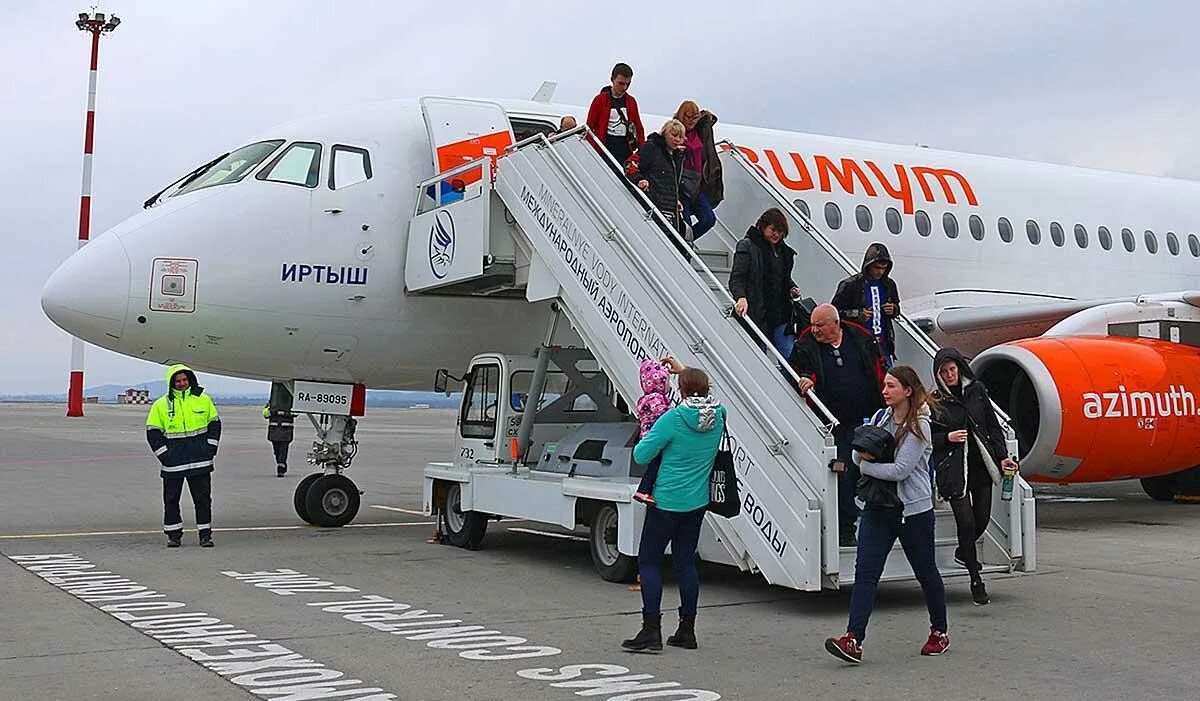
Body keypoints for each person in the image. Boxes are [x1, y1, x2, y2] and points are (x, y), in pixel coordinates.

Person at [825, 365, 949, 664]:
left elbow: (900, 470)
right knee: (865, 573)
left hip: (912, 511)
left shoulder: (920, 425)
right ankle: (853, 638)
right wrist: (862, 459)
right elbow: (856, 451)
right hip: (878, 507)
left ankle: (939, 631)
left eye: (891, 385)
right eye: (884, 384)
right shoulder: (881, 417)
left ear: (907, 390)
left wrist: (867, 466)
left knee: (926, 572)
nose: (885, 390)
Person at [622, 359, 726, 653]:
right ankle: (687, 630)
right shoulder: (720, 415)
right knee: (686, 563)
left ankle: (651, 630)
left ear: (679, 390)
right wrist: (685, 372)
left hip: (666, 500)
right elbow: (702, 392)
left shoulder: (673, 419)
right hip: (697, 502)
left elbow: (642, 455)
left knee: (650, 561)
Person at [789, 304, 885, 546]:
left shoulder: (860, 338)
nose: (814, 330)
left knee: (870, 468)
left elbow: (879, 367)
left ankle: (869, 515)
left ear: (835, 324)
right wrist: (806, 379)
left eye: (819, 325)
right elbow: (794, 371)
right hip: (833, 423)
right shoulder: (805, 344)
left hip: (867, 417)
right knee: (843, 471)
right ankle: (845, 527)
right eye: (812, 324)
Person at [930, 347, 1019, 606]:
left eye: (952, 370)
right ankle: (975, 578)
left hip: (981, 463)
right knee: (966, 522)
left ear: (959, 368)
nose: (949, 375)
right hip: (954, 467)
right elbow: (926, 436)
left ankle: (963, 552)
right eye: (944, 372)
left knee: (982, 516)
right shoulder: (935, 400)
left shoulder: (976, 390)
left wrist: (1002, 455)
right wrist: (947, 438)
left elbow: (992, 426)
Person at [145, 365, 221, 548]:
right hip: (174, 463)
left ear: (190, 380)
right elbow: (152, 432)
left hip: (200, 460)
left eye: (184, 380)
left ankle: (205, 534)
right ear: (172, 383)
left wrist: (210, 448)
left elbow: (215, 425)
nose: (181, 384)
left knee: (203, 499)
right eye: (178, 381)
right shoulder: (161, 405)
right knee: (171, 500)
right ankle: (173, 535)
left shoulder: (203, 400)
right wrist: (165, 456)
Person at [729, 208, 801, 357]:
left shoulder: (783, 252)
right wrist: (741, 297)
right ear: (762, 226)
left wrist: (791, 287)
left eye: (781, 232)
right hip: (758, 313)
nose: (777, 235)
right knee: (759, 356)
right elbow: (737, 278)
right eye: (773, 230)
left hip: (780, 313)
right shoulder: (747, 246)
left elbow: (782, 277)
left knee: (791, 356)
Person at [831, 243, 902, 365]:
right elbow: (834, 313)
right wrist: (857, 315)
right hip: (858, 345)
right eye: (877, 268)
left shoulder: (889, 285)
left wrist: (894, 309)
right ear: (868, 265)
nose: (880, 272)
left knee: (888, 380)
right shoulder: (850, 285)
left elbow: (897, 307)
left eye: (883, 268)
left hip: (883, 345)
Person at [673, 101, 724, 239]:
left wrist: (704, 116)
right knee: (685, 223)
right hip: (681, 185)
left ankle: (687, 241)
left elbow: (712, 120)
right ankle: (683, 246)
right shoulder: (675, 131)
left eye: (694, 118)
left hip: (696, 184)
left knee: (709, 219)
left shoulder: (698, 130)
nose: (691, 121)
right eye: (688, 117)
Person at [628, 119, 687, 238]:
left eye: (680, 137)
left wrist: (676, 199)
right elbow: (630, 164)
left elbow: (672, 182)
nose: (677, 140)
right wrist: (639, 180)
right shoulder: (652, 148)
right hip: (653, 204)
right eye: (674, 135)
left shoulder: (677, 157)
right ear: (665, 133)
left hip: (670, 208)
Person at [585, 62, 645, 166]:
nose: (624, 87)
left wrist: (642, 153)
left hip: (625, 150)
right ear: (612, 80)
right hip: (604, 149)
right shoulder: (600, 100)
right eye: (621, 83)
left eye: (628, 84)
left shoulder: (631, 101)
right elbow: (589, 127)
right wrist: (590, 151)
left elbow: (638, 127)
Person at [633, 358, 672, 505]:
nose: (669, 385)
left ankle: (645, 489)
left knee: (655, 464)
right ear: (659, 382)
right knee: (655, 464)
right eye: (667, 381)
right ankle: (643, 490)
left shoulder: (649, 397)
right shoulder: (656, 398)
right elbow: (664, 415)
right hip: (653, 437)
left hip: (648, 436)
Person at [263, 394, 295, 478]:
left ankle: (281, 467)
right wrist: (273, 412)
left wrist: (284, 413)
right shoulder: (271, 404)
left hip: (285, 432)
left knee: (283, 450)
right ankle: (281, 464)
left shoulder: (291, 403)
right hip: (274, 432)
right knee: (276, 451)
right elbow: (265, 413)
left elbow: (296, 413)